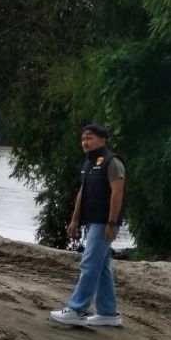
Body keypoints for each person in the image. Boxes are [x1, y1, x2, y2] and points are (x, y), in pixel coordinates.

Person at [50, 124, 126, 327]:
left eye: (89, 138)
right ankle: (108, 313)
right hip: (93, 221)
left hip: (104, 223)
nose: (85, 142)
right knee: (101, 267)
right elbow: (82, 193)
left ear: (102, 140)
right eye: (83, 139)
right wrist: (75, 219)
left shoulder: (112, 162)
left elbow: (118, 193)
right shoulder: (89, 163)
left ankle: (76, 310)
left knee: (89, 264)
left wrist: (112, 222)